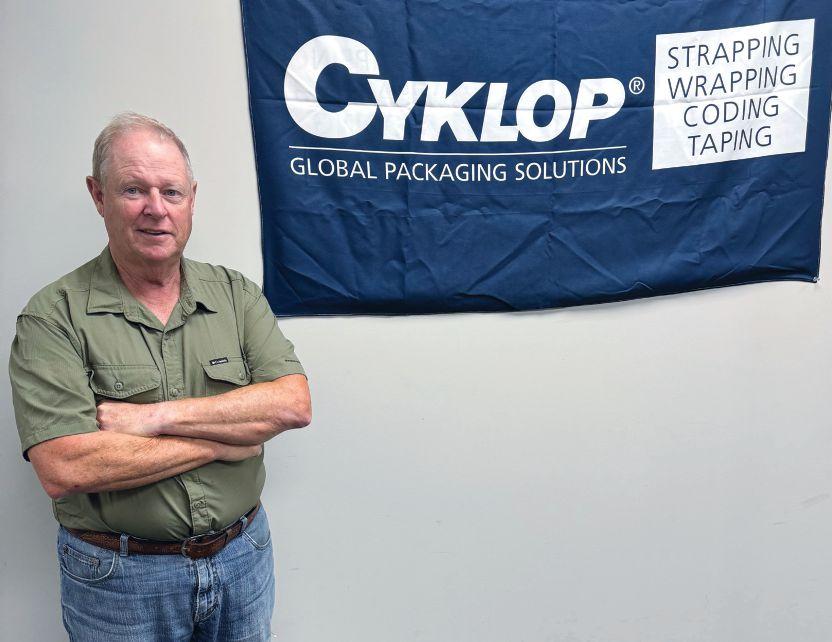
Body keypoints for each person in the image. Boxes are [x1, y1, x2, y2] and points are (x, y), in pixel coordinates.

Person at [8, 112, 311, 641]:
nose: (156, 208)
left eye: (171, 191)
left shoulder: (235, 295)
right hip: (120, 581)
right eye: (133, 190)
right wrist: (226, 441)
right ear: (98, 196)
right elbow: (65, 466)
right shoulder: (53, 317)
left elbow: (291, 404)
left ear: (191, 198)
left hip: (243, 557)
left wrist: (153, 418)